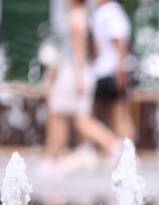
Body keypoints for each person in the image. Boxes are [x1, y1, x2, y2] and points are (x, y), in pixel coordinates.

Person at [43, 0, 122, 173]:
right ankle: (113, 145)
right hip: (82, 71)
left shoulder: (76, 16)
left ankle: (53, 159)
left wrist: (79, 76)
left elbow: (77, 51)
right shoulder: (87, 16)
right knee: (79, 119)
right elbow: (93, 51)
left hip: (72, 73)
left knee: (59, 115)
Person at [90, 0, 135, 140]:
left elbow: (120, 42)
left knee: (115, 113)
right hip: (106, 70)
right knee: (114, 113)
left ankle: (122, 147)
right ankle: (123, 148)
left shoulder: (110, 12)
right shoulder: (107, 12)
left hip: (109, 70)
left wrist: (120, 71)